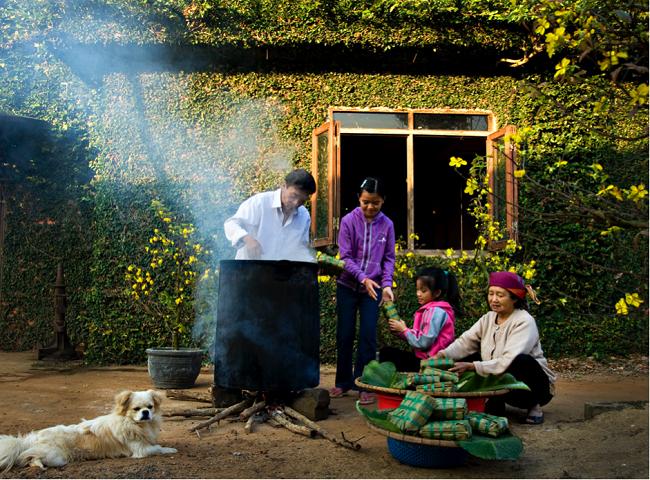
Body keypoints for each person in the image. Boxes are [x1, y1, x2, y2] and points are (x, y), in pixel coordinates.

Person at [435, 271, 555, 425]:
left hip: (532, 385)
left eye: (500, 295)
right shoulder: (488, 318)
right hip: (499, 378)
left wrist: (473, 366)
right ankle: (494, 400)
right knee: (465, 357)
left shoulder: (524, 321)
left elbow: (508, 360)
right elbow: (465, 342)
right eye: (491, 293)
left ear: (514, 298)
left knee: (521, 361)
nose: (494, 299)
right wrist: (442, 355)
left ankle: (534, 405)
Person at [329, 177, 396, 405]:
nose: (370, 207)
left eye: (375, 203)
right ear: (359, 197)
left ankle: (363, 384)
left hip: (373, 289)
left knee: (368, 336)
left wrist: (386, 284)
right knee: (345, 334)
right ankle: (342, 382)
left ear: (383, 201)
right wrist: (362, 277)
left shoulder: (387, 224)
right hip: (348, 286)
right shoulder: (348, 221)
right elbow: (345, 257)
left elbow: (388, 258)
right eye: (366, 201)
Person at [223, 168, 316, 262]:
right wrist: (247, 239)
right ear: (284, 186)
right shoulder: (260, 202)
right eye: (293, 196)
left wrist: (312, 263)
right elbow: (231, 224)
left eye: (302, 200)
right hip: (248, 270)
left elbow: (300, 248)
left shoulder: (304, 215)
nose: (296, 203)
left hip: (279, 274)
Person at [379, 267, 460, 372]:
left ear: (437, 293)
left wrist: (404, 330)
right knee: (388, 353)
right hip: (424, 359)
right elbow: (420, 337)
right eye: (417, 289)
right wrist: (401, 331)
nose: (418, 294)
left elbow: (424, 342)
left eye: (423, 290)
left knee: (387, 353)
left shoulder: (436, 312)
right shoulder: (432, 309)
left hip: (431, 364)